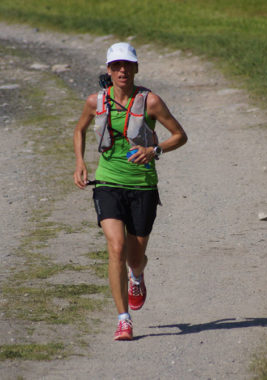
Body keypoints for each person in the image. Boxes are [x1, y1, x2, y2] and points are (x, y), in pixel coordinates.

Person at [73, 42, 187, 340]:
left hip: (142, 187)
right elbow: (79, 129)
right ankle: (123, 319)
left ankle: (137, 275)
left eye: (127, 65)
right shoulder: (95, 101)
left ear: (136, 68)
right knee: (116, 248)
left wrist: (154, 149)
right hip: (108, 182)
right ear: (108, 70)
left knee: (134, 258)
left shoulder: (151, 102)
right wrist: (80, 163)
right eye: (116, 66)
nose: (122, 70)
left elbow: (180, 136)